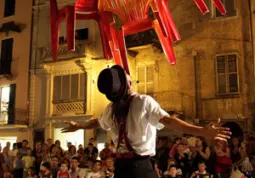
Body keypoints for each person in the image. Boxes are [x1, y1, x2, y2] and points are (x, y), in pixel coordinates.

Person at [62, 65, 231, 178]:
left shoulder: (111, 109)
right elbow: (170, 121)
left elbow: (97, 122)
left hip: (121, 169)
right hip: (140, 168)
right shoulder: (143, 101)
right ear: (128, 85)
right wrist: (202, 131)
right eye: (129, 78)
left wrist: (79, 126)